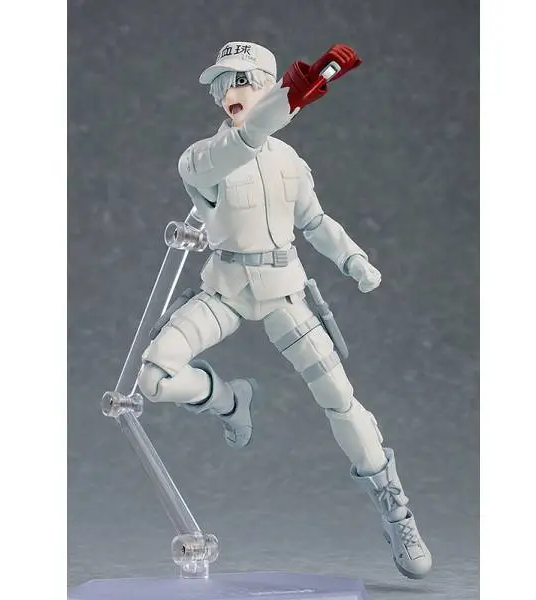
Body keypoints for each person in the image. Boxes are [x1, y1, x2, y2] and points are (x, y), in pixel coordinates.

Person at [138, 41, 432, 579]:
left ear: (266, 86)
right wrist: (292, 96)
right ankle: (228, 399)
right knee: (153, 379)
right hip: (224, 291)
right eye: (221, 83)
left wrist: (353, 259)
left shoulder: (290, 162)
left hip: (283, 292)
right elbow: (244, 141)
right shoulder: (201, 159)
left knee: (341, 400)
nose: (229, 92)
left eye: (241, 80)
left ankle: (395, 508)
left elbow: (315, 221)